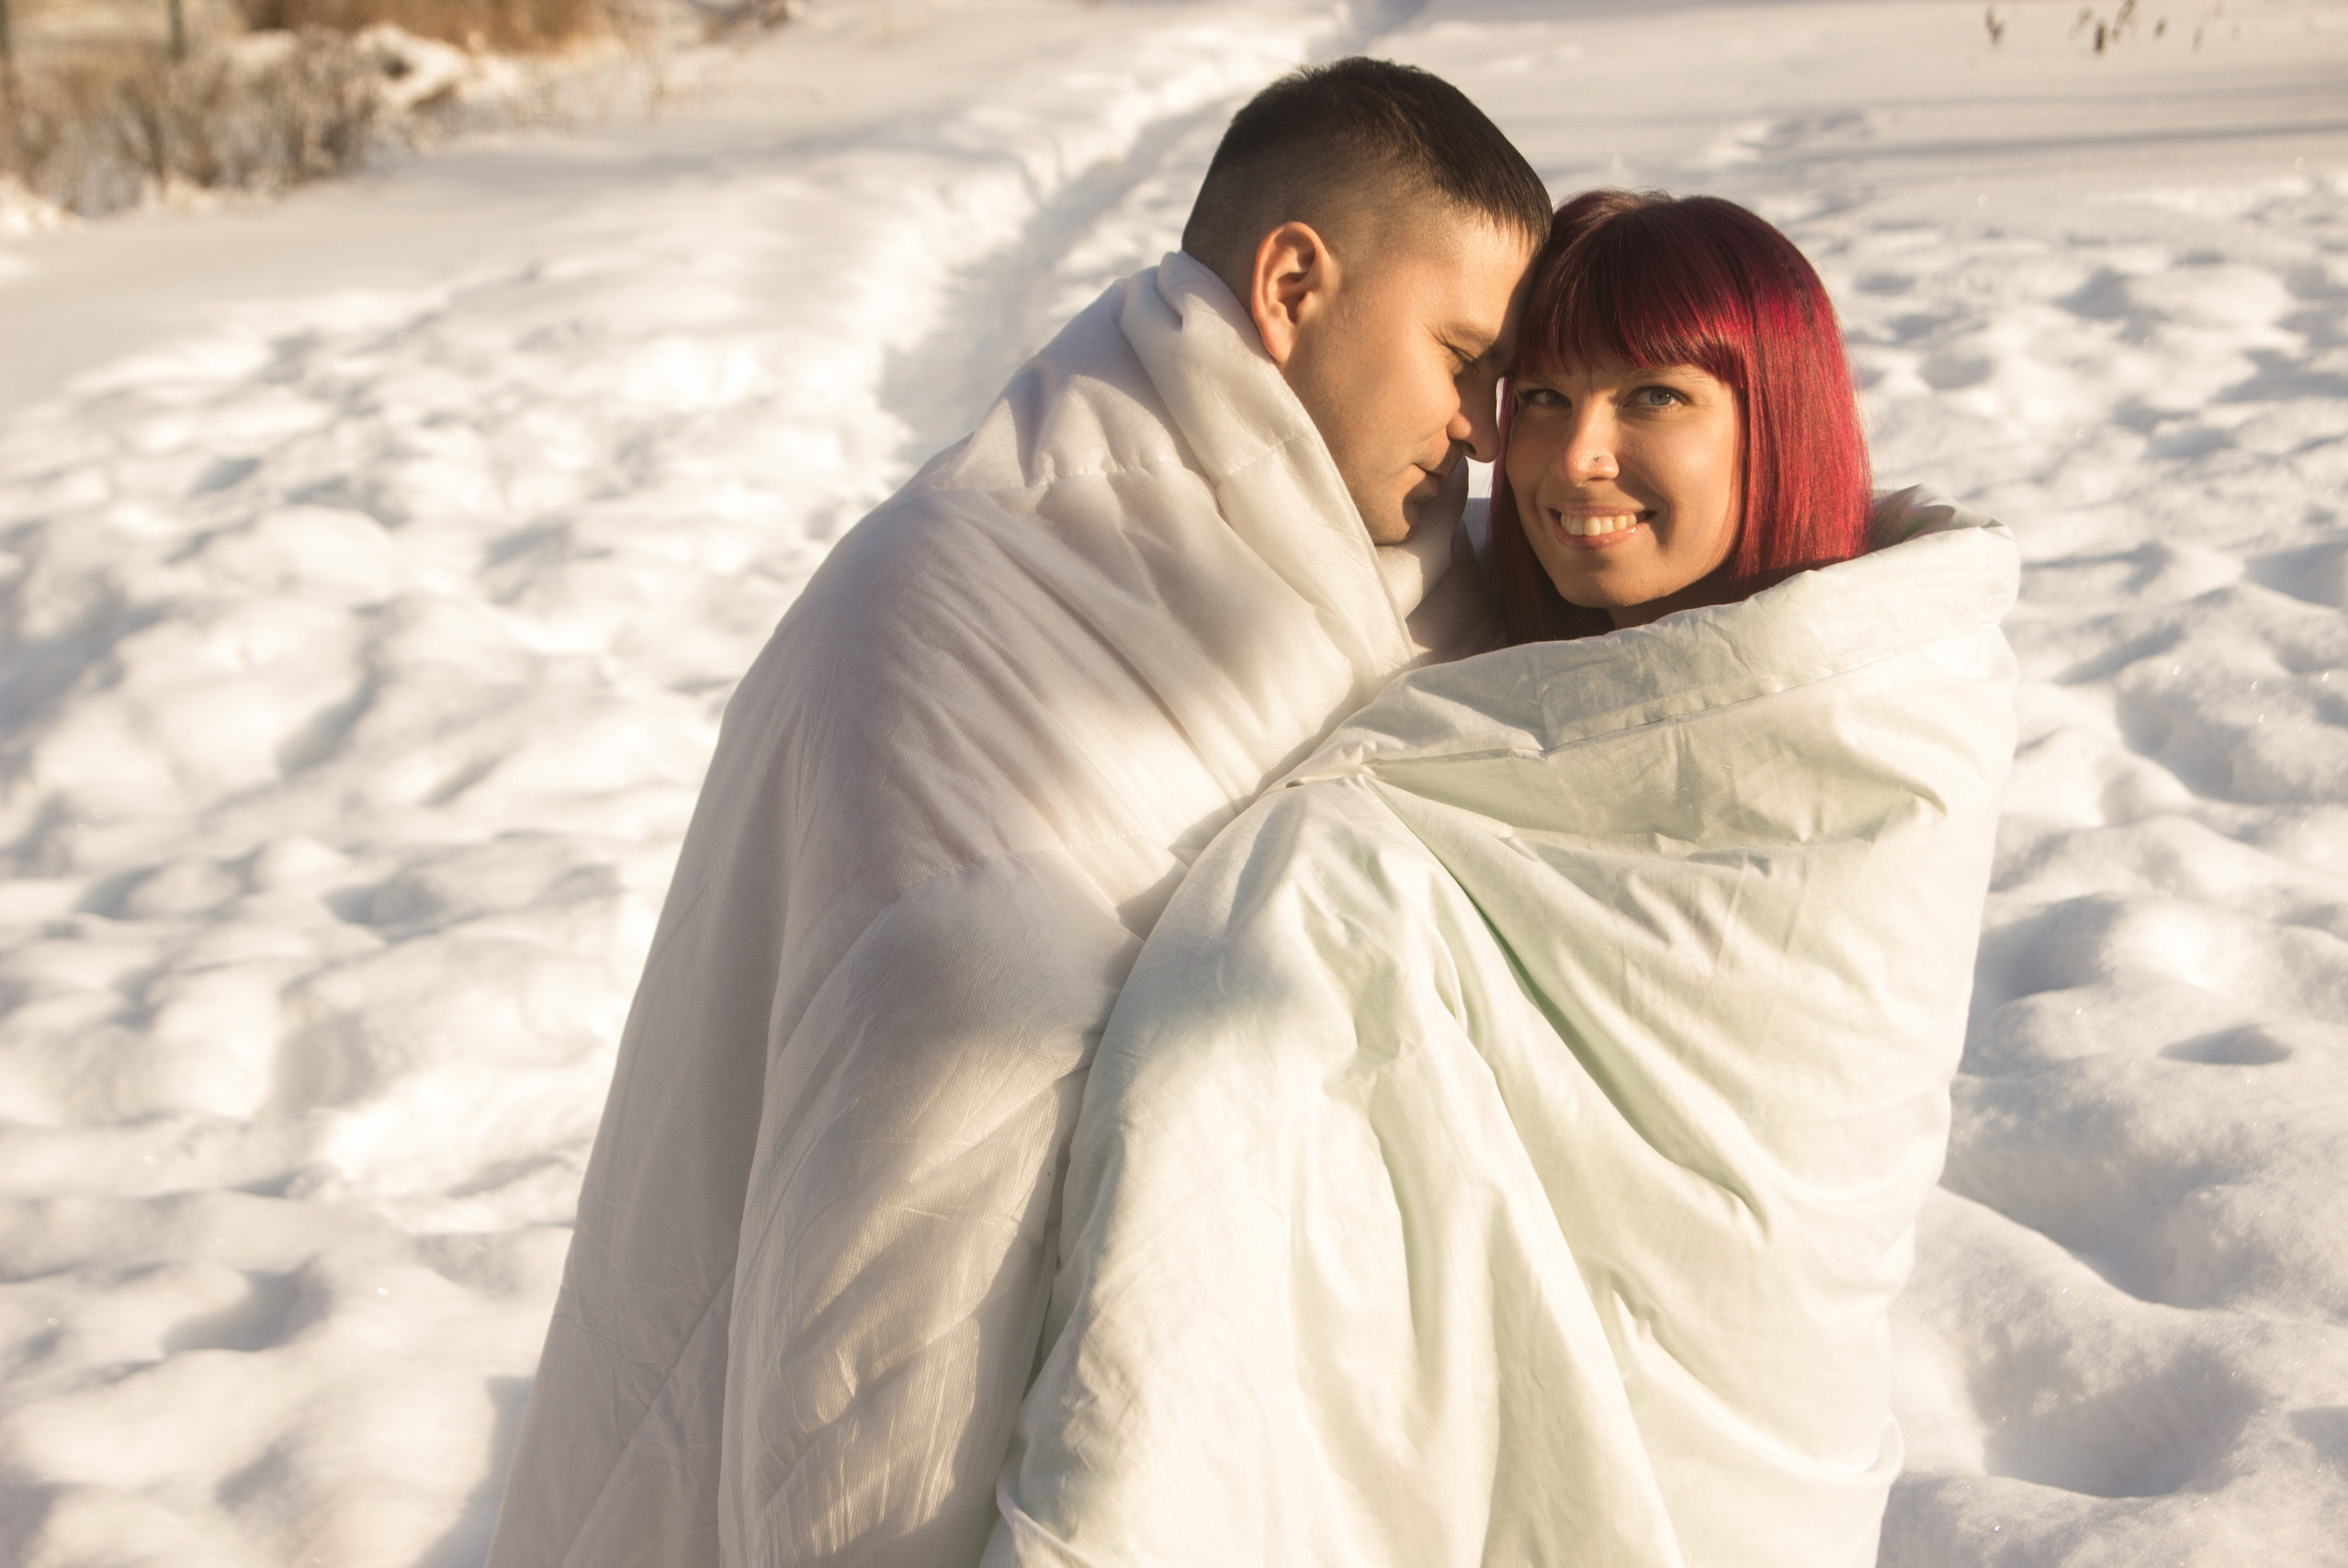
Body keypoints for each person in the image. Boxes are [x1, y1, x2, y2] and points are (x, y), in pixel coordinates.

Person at [484, 60, 1551, 1568]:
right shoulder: (954, 599)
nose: (1485, 433)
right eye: (1460, 356)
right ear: (1296, 282)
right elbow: (902, 1193)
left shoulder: (1430, 592)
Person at [987, 191, 2020, 1567]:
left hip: (1748, 1453)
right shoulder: (1480, 691)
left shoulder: (1869, 726)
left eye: (1653, 394)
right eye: (1540, 396)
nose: (1577, 457)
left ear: (1774, 414)